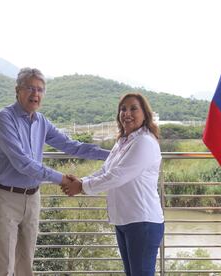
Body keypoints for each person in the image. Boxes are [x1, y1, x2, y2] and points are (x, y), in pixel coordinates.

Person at [0, 67, 109, 276]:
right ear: (18, 90)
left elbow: (71, 146)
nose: (35, 94)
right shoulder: (3, 119)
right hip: (5, 198)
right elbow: (22, 163)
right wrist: (61, 178)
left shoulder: (41, 121)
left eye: (40, 89)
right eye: (30, 88)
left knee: (26, 266)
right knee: (2, 268)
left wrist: (114, 154)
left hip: (33, 198)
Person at [61, 93, 164, 276]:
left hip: (142, 221)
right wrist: (81, 182)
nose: (127, 113)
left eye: (133, 108)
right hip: (125, 219)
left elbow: (118, 175)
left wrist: (82, 187)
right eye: (123, 109)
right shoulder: (122, 141)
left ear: (145, 114)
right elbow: (106, 170)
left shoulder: (144, 142)